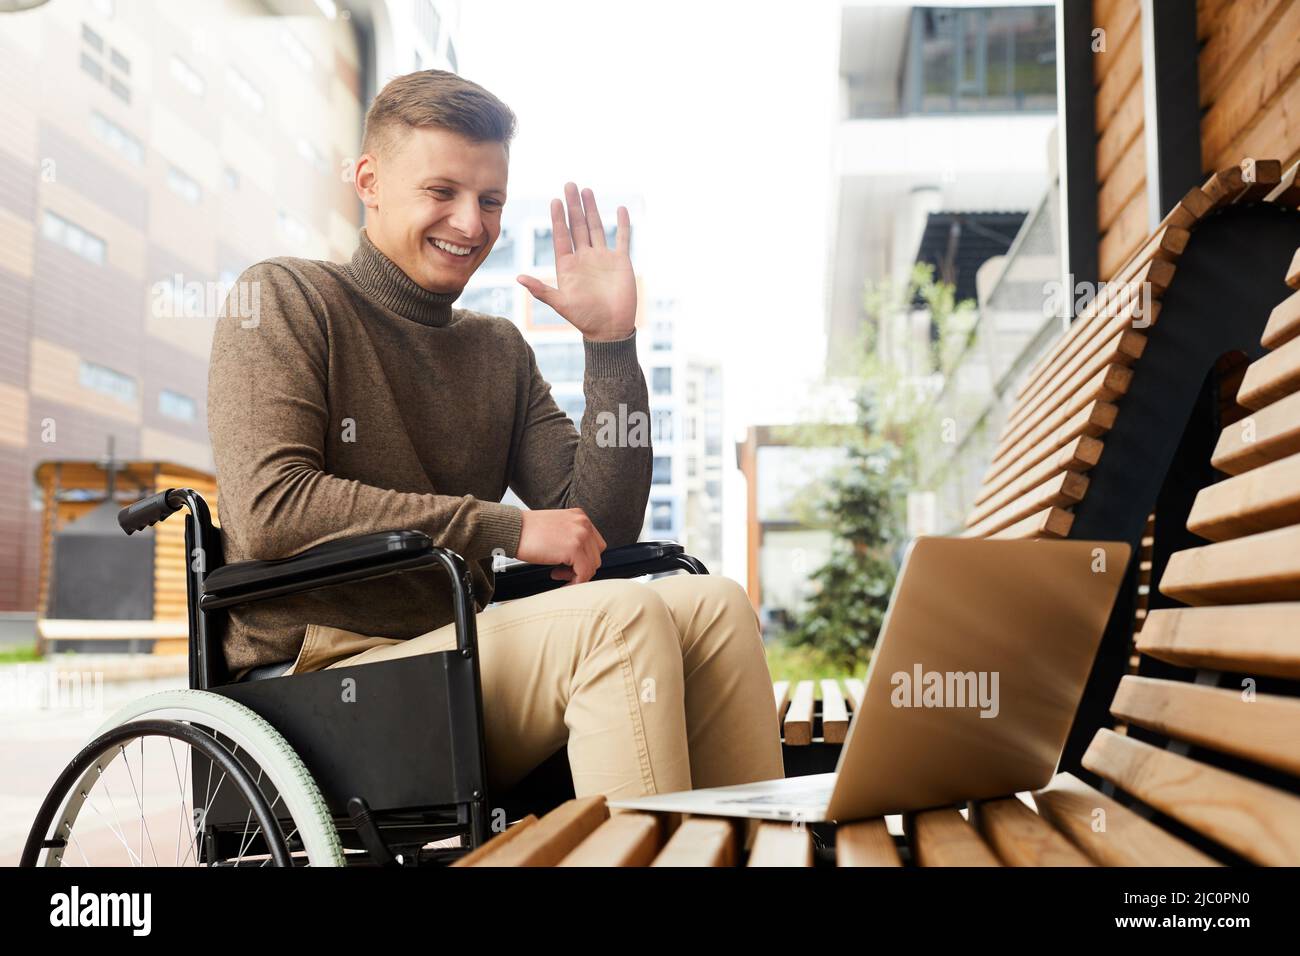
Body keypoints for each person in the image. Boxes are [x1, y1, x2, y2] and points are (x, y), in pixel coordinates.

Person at [207, 69, 784, 803]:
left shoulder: (497, 350)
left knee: (716, 604)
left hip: (456, 661)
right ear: (369, 180)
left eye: (490, 200)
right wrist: (501, 526)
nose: (472, 225)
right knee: (618, 620)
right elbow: (271, 513)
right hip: (318, 682)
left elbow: (599, 529)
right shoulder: (286, 298)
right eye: (441, 192)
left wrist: (611, 345)